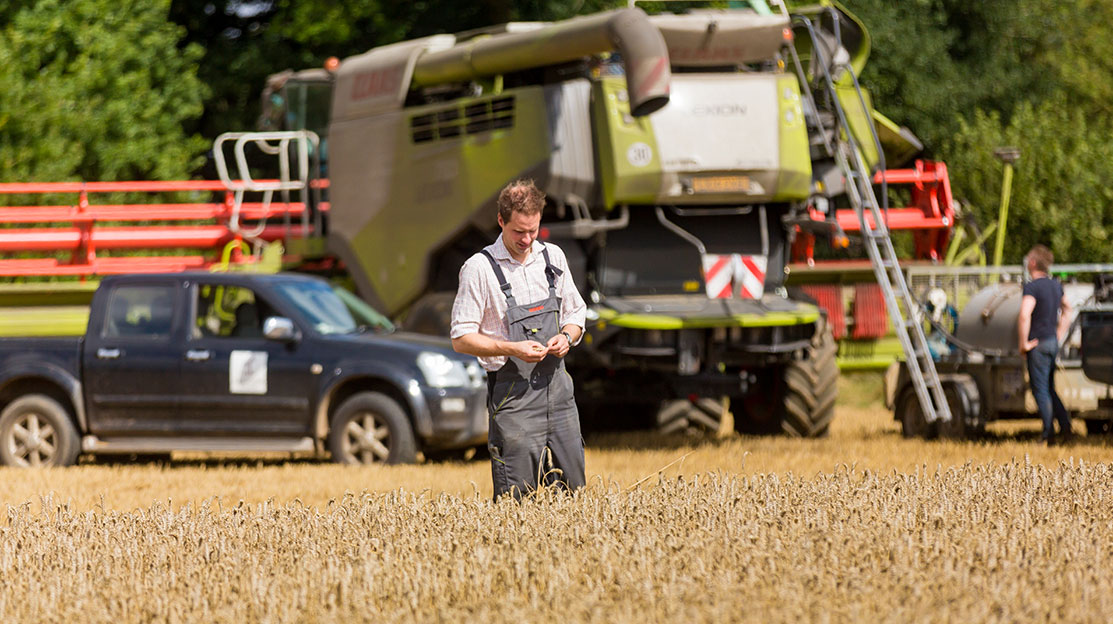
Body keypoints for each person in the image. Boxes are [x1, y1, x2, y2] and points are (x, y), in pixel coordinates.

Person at [450, 179, 587, 499]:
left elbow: (576, 312)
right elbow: (461, 337)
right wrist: (512, 348)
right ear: (501, 221)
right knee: (517, 500)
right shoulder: (479, 269)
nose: (527, 239)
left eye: (533, 230)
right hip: (514, 400)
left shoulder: (553, 257)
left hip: (561, 395)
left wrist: (568, 336)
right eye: (518, 232)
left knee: (575, 495)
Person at [1017, 244, 1073, 444]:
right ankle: (1065, 427)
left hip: (1037, 344)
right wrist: (1058, 334)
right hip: (1052, 342)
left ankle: (1047, 434)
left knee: (1040, 389)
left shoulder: (1032, 287)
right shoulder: (1056, 285)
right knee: (1050, 388)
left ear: (1032, 263)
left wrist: (1023, 343)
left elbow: (1024, 315)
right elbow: (1068, 309)